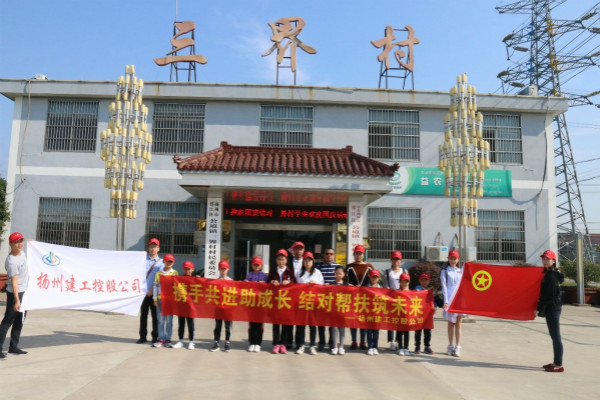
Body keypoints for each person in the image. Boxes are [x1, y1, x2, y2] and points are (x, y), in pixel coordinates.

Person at [0, 232, 29, 360]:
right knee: (8, 321)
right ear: (11, 244)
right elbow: (14, 282)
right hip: (15, 294)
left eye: (21, 241)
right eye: (16, 242)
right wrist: (17, 300)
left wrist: (32, 244)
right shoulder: (12, 261)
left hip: (24, 292)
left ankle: (13, 347)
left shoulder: (22, 253)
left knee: (19, 320)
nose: (19, 244)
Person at [536, 250, 565, 373]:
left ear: (553, 261)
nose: (545, 261)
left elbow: (549, 295)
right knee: (554, 336)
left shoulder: (551, 275)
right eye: (543, 259)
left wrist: (539, 308)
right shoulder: (551, 273)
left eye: (547, 259)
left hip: (552, 308)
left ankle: (558, 365)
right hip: (553, 307)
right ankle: (556, 362)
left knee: (556, 337)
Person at [294, 251, 324, 355]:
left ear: (313, 261)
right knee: (301, 325)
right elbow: (295, 287)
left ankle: (312, 346)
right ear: (303, 262)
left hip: (313, 303)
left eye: (309, 260)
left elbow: (322, 287)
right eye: (306, 260)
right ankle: (301, 345)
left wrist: (316, 284)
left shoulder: (317, 273)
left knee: (312, 325)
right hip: (302, 302)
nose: (307, 262)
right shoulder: (299, 273)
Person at [346, 244, 374, 350]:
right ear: (354, 254)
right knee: (353, 319)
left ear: (363, 255)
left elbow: (373, 281)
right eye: (356, 253)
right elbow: (345, 280)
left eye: (360, 254)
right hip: (352, 297)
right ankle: (354, 341)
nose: (358, 255)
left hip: (365, 299)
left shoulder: (369, 266)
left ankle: (363, 341)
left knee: (363, 320)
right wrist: (349, 286)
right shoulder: (349, 267)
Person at [268, 248, 296, 354]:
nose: (281, 262)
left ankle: (283, 344)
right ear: (276, 260)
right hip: (275, 300)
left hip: (286, 301)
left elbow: (294, 282)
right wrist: (272, 281)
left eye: (283, 259)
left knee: (285, 323)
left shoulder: (289, 271)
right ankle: (276, 344)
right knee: (276, 323)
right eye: (279, 259)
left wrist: (288, 282)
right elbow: (267, 281)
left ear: (286, 260)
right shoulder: (273, 271)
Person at [138, 238, 163, 345]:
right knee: (143, 316)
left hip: (154, 294)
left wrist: (152, 290)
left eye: (155, 247)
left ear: (158, 248)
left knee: (155, 317)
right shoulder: (142, 261)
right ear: (148, 248)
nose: (153, 249)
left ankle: (155, 337)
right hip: (143, 293)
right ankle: (142, 337)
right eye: (151, 246)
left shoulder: (161, 263)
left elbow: (161, 279)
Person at [440, 249, 465, 357]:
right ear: (448, 259)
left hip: (459, 299)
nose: (453, 260)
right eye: (451, 258)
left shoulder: (461, 271)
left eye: (454, 258)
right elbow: (444, 286)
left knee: (459, 323)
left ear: (458, 260)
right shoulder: (445, 271)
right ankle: (450, 345)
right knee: (450, 323)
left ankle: (458, 346)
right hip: (450, 299)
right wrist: (446, 301)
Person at [315, 248, 341, 351]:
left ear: (334, 255)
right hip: (321, 298)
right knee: (321, 323)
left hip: (333, 299)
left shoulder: (338, 267)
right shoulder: (318, 266)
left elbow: (342, 281)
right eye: (327, 254)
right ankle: (321, 343)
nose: (329, 256)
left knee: (332, 323)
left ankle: (331, 343)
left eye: (331, 254)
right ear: (323, 255)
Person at [152, 253, 178, 348]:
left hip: (170, 301)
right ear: (164, 261)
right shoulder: (158, 273)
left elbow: (177, 287)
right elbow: (155, 286)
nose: (169, 263)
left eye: (171, 262)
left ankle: (167, 339)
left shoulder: (175, 273)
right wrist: (155, 299)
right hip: (160, 300)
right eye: (167, 261)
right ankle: (160, 339)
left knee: (169, 321)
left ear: (173, 263)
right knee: (160, 321)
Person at [245, 256, 268, 352]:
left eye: (258, 265)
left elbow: (269, 288)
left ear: (261, 265)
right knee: (252, 325)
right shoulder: (249, 275)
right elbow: (244, 287)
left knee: (259, 325)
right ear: (252, 265)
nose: (256, 266)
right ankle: (251, 342)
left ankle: (258, 343)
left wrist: (264, 284)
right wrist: (245, 283)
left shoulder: (264, 276)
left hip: (261, 304)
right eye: (255, 264)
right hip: (251, 304)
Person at [383, 250, 406, 351]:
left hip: (401, 300)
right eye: (394, 259)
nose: (396, 261)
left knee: (400, 321)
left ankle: (398, 340)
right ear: (391, 260)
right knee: (391, 320)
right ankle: (392, 341)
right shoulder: (387, 272)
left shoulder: (404, 271)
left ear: (400, 260)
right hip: (391, 299)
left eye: (398, 259)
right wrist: (392, 292)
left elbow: (407, 285)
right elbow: (385, 286)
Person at [210, 260, 233, 352]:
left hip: (228, 307)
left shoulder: (231, 281)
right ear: (219, 269)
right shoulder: (216, 281)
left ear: (228, 269)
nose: (223, 270)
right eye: (221, 268)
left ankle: (227, 342)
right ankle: (216, 342)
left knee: (228, 326)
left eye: (225, 268)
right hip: (218, 307)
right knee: (218, 326)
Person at [172, 261, 196, 350]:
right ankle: (180, 340)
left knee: (190, 323)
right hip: (181, 304)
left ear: (192, 269)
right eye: (185, 269)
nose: (187, 271)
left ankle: (191, 341)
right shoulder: (179, 279)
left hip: (191, 305)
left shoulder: (196, 279)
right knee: (181, 323)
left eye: (189, 269)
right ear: (183, 269)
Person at [288, 241, 305, 351]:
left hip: (303, 295)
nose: (298, 251)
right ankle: (288, 342)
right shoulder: (288, 262)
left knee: (300, 320)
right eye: (296, 249)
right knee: (289, 319)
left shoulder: (307, 262)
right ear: (293, 250)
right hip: (290, 294)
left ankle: (299, 343)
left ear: (304, 251)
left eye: (300, 249)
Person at [414, 273, 435, 355]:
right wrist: (416, 292)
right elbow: (413, 297)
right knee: (418, 330)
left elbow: (433, 300)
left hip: (428, 314)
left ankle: (427, 346)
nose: (424, 282)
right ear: (420, 281)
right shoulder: (417, 288)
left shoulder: (430, 290)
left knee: (427, 331)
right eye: (423, 280)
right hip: (419, 313)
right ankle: (417, 346)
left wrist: (434, 306)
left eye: (426, 280)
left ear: (429, 281)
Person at [330, 266, 347, 355]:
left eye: (340, 274)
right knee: (334, 328)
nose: (338, 275)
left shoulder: (346, 285)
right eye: (336, 273)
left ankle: (341, 346)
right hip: (334, 310)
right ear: (334, 274)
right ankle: (335, 346)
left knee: (342, 329)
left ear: (344, 274)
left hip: (343, 310)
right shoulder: (332, 284)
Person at [365, 269, 382, 355]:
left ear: (378, 278)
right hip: (368, 312)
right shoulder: (366, 288)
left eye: (376, 277)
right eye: (372, 277)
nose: (374, 279)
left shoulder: (381, 289)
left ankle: (375, 347)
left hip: (377, 313)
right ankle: (370, 347)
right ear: (370, 277)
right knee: (369, 331)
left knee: (376, 331)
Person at [397, 272, 411, 356]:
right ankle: (400, 347)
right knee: (399, 332)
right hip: (398, 316)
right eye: (402, 281)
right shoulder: (396, 292)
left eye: (406, 281)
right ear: (399, 282)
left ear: (408, 282)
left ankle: (406, 348)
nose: (404, 283)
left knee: (406, 332)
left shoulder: (410, 292)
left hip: (407, 316)